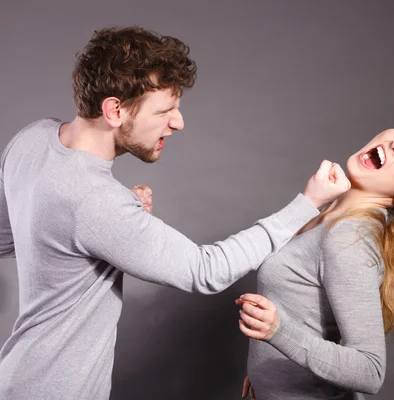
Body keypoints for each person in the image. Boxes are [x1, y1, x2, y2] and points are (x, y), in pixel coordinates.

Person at [0, 26, 350, 400]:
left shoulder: (33, 139)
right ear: (115, 110)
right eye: (165, 110)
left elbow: (17, 235)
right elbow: (205, 270)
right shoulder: (97, 202)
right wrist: (308, 203)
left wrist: (107, 230)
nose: (178, 122)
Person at [236, 121, 394, 400]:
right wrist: (267, 378)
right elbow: (304, 311)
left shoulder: (348, 237)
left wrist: (278, 332)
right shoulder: (332, 212)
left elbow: (370, 370)